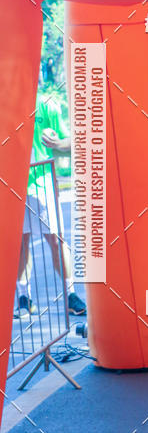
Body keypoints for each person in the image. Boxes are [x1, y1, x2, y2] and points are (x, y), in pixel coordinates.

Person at [16, 89, 87, 319]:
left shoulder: (46, 104)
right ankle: (24, 299)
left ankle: (71, 295)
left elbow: (69, 141)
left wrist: (58, 142)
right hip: (11, 183)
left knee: (55, 239)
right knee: (20, 242)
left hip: (41, 180)